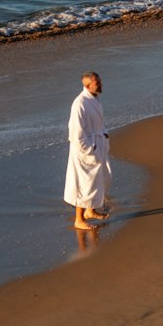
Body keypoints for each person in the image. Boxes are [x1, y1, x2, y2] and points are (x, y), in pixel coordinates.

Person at [64, 71, 112, 230]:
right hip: (84, 150)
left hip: (97, 144)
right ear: (87, 86)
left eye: (100, 81)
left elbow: (98, 123)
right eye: (97, 83)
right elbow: (75, 133)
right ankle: (79, 219)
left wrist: (104, 136)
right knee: (84, 183)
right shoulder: (80, 103)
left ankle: (90, 211)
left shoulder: (94, 99)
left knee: (97, 180)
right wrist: (90, 150)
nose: (101, 85)